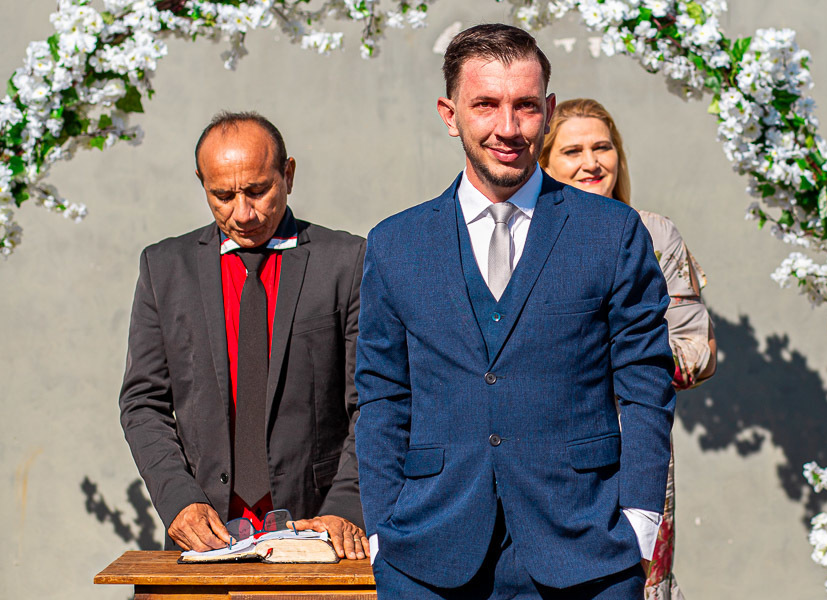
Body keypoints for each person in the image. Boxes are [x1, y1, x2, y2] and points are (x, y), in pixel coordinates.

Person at [355, 24, 675, 599]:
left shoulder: (611, 233)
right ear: (449, 113)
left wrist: (640, 521)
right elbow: (382, 395)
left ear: (548, 111)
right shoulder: (394, 243)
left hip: (587, 551)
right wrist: (382, 531)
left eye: (525, 106)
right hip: (426, 555)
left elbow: (646, 382)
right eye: (486, 105)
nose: (508, 127)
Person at [119, 111, 369, 559]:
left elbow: (372, 402)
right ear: (201, 182)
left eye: (258, 190)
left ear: (287, 174)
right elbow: (143, 403)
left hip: (320, 533)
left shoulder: (346, 262)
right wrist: (178, 500)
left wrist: (346, 505)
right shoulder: (164, 268)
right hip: (205, 538)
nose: (243, 212)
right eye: (222, 195)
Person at [540, 98, 717, 600]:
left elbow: (699, 348)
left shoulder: (655, 235)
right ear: (545, 164)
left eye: (603, 147)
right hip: (541, 449)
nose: (591, 162)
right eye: (572, 150)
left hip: (634, 442)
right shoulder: (523, 237)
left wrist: (627, 355)